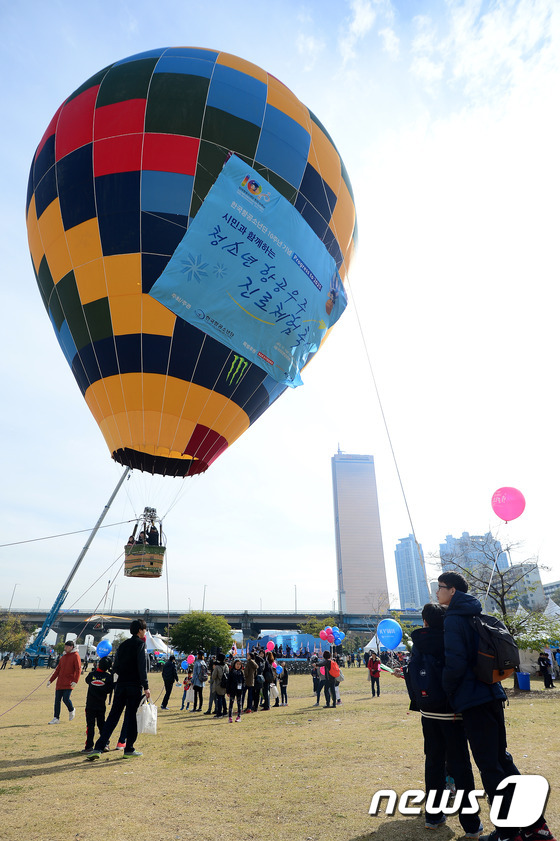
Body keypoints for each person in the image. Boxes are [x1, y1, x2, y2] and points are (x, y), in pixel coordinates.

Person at [437, 571, 556, 841]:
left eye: (441, 587)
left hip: (473, 699)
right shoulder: (477, 614)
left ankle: (507, 831)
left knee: (490, 766)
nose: (437, 592)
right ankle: (535, 825)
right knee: (502, 759)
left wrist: (448, 689)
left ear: (452, 591)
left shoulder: (454, 620)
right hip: (493, 693)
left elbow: (455, 663)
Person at [403, 603, 483, 837]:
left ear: (425, 622)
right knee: (460, 766)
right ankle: (470, 824)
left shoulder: (418, 643)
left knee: (433, 763)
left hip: (428, 713)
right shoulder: (450, 639)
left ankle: (433, 816)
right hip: (452, 713)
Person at [87, 618, 150, 760]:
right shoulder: (140, 644)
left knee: (113, 717)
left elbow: (115, 667)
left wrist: (116, 683)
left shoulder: (122, 645)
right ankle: (129, 749)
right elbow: (142, 667)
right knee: (131, 717)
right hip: (134, 686)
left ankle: (98, 747)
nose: (144, 631)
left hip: (120, 685)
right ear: (140, 630)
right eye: (144, 629)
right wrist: (146, 686)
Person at [83, 656, 114, 753]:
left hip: (90, 705)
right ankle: (105, 743)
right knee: (102, 725)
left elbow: (87, 680)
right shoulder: (109, 677)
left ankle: (89, 746)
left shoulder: (92, 674)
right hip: (101, 705)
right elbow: (109, 690)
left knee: (90, 726)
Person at [47, 640, 81, 724]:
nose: (65, 648)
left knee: (66, 698)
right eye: (65, 647)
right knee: (57, 700)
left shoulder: (75, 656)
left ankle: (71, 709)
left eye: (66, 647)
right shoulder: (64, 657)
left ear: (71, 647)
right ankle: (56, 718)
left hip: (69, 682)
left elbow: (78, 669)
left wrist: (75, 680)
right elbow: (58, 670)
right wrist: (50, 680)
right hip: (60, 682)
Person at [211, 653, 228, 718]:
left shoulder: (217, 667)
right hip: (225, 684)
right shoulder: (226, 666)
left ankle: (219, 713)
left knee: (219, 698)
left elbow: (213, 676)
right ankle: (225, 711)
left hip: (218, 684)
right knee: (223, 698)